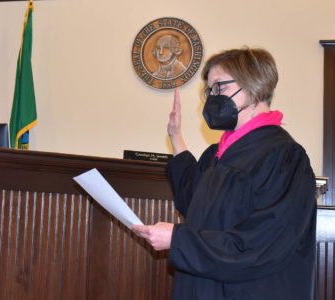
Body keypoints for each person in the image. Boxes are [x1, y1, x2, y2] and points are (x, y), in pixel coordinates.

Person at [132, 48, 317, 299]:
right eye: (209, 90)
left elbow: (260, 245)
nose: (212, 98)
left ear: (254, 84)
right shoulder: (217, 154)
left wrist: (178, 241)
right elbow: (192, 200)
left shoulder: (283, 156)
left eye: (219, 87)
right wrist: (176, 137)